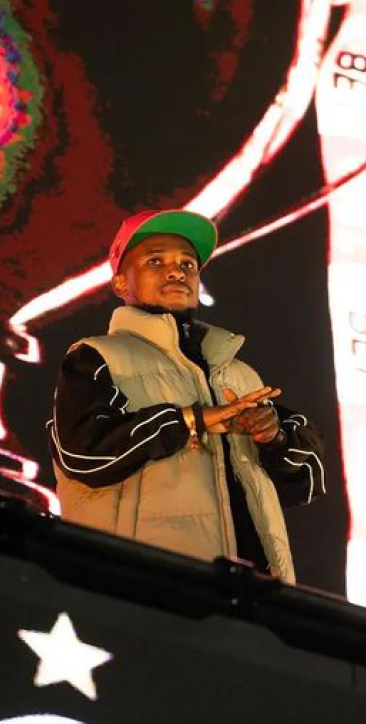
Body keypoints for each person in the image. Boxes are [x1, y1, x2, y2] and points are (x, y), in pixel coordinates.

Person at [47, 209, 325, 584]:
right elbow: (83, 456)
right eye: (155, 261)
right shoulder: (96, 357)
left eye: (187, 264)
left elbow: (305, 483)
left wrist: (272, 437)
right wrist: (191, 420)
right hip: (143, 588)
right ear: (120, 284)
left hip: (256, 595)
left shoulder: (239, 374)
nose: (177, 272)